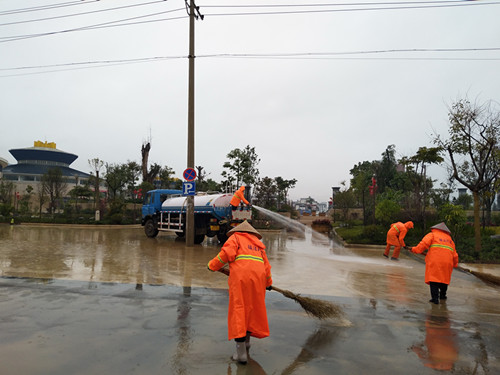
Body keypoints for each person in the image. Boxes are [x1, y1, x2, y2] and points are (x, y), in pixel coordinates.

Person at [207, 220, 272, 364]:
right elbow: (267, 267)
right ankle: (246, 343)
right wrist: (268, 283)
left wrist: (211, 266)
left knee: (239, 309)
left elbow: (225, 255)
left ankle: (241, 353)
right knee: (251, 309)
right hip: (258, 280)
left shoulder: (235, 238)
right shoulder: (258, 245)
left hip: (241, 279)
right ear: (252, 233)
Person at [410, 222, 459, 304]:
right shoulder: (450, 240)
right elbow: (455, 255)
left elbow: (423, 245)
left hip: (435, 261)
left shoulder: (432, 235)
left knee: (434, 280)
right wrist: (455, 263)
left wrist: (414, 250)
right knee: (444, 279)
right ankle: (443, 296)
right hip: (447, 262)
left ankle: (435, 299)